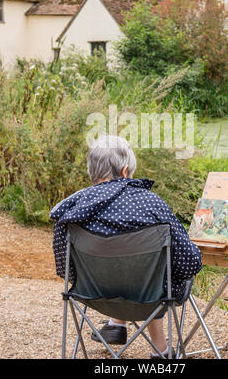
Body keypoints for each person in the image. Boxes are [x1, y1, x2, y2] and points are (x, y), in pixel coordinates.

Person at [51, 134, 202, 358]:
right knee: (161, 272)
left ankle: (116, 323)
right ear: (124, 171)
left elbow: (65, 271)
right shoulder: (152, 204)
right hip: (151, 298)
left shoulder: (71, 210)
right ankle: (161, 351)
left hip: (94, 295)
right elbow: (189, 264)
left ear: (92, 171)